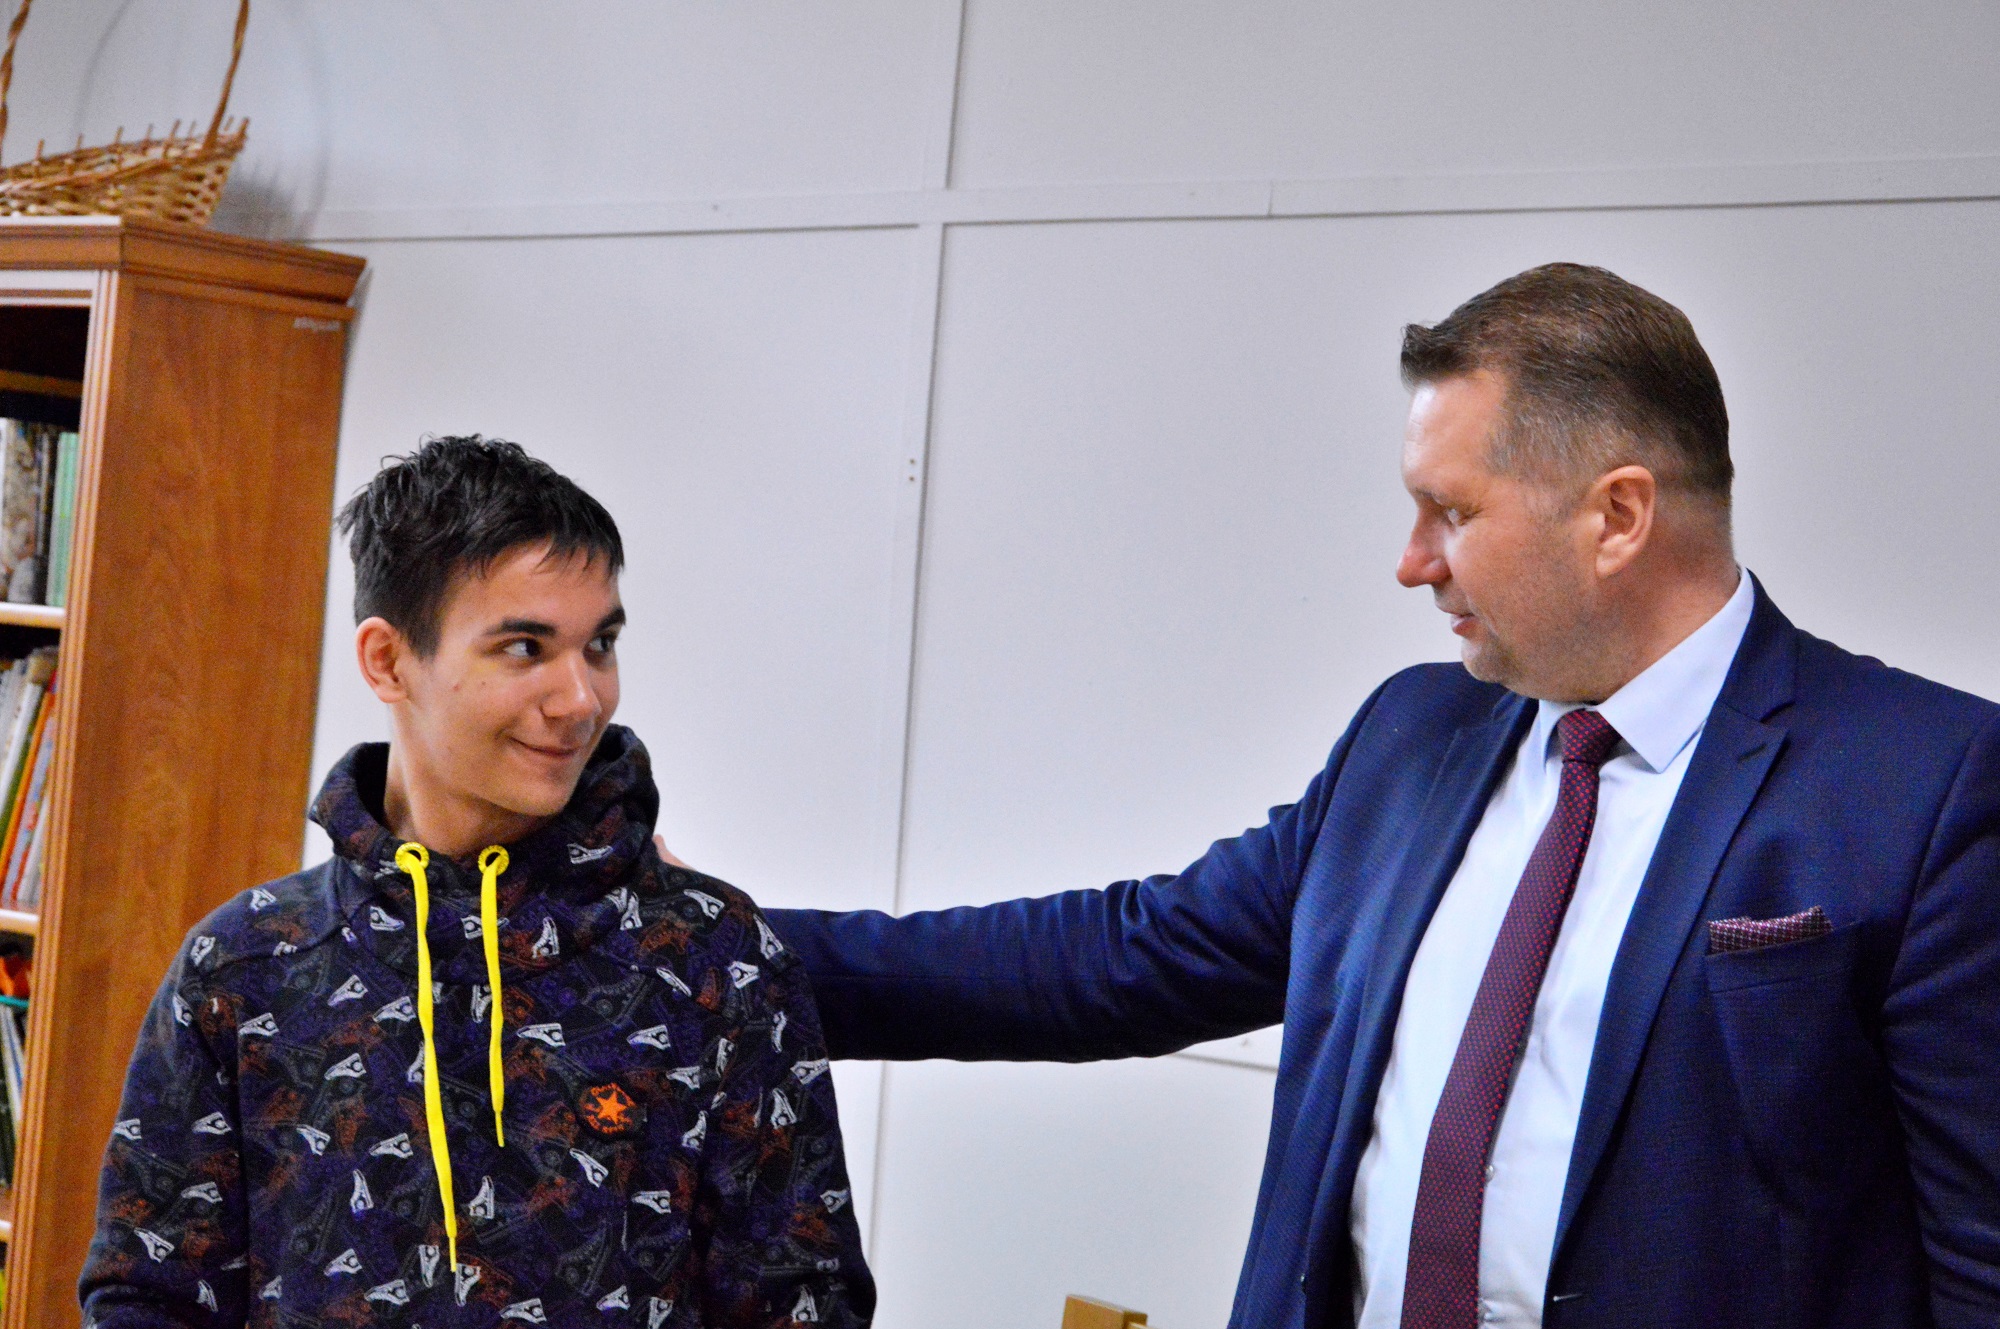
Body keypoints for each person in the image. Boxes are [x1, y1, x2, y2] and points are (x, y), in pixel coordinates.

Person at [761, 265, 2000, 1328]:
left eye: (1449, 513)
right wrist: (709, 954)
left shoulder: (1922, 787)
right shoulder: (1409, 740)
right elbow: (1122, 956)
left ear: (1617, 515)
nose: (1410, 564)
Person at [81, 438, 873, 1328]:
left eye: (600, 644)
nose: (582, 698)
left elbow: (803, 1302)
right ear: (387, 661)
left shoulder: (718, 961)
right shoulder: (242, 967)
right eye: (526, 647)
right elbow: (147, 1297)